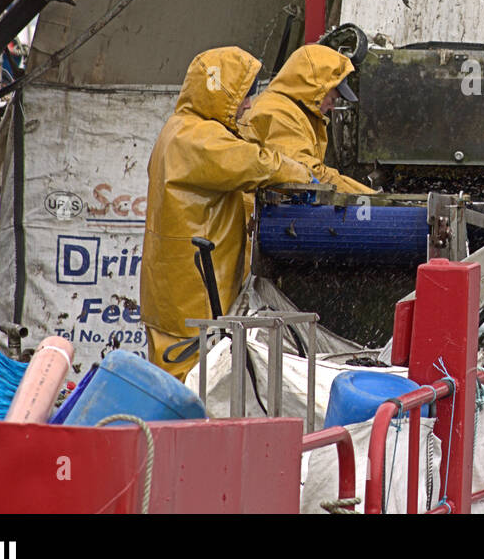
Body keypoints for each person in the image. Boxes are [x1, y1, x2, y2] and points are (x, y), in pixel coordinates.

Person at [140, 47, 311, 379]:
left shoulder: (179, 129)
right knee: (194, 394)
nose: (248, 105)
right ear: (220, 95)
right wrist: (302, 174)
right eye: (243, 96)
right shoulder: (200, 139)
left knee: (168, 390)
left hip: (171, 296)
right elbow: (255, 163)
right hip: (195, 301)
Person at [243, 44, 375, 195]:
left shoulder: (289, 108)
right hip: (252, 215)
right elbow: (307, 173)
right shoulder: (278, 113)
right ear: (316, 89)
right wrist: (372, 199)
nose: (331, 108)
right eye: (331, 99)